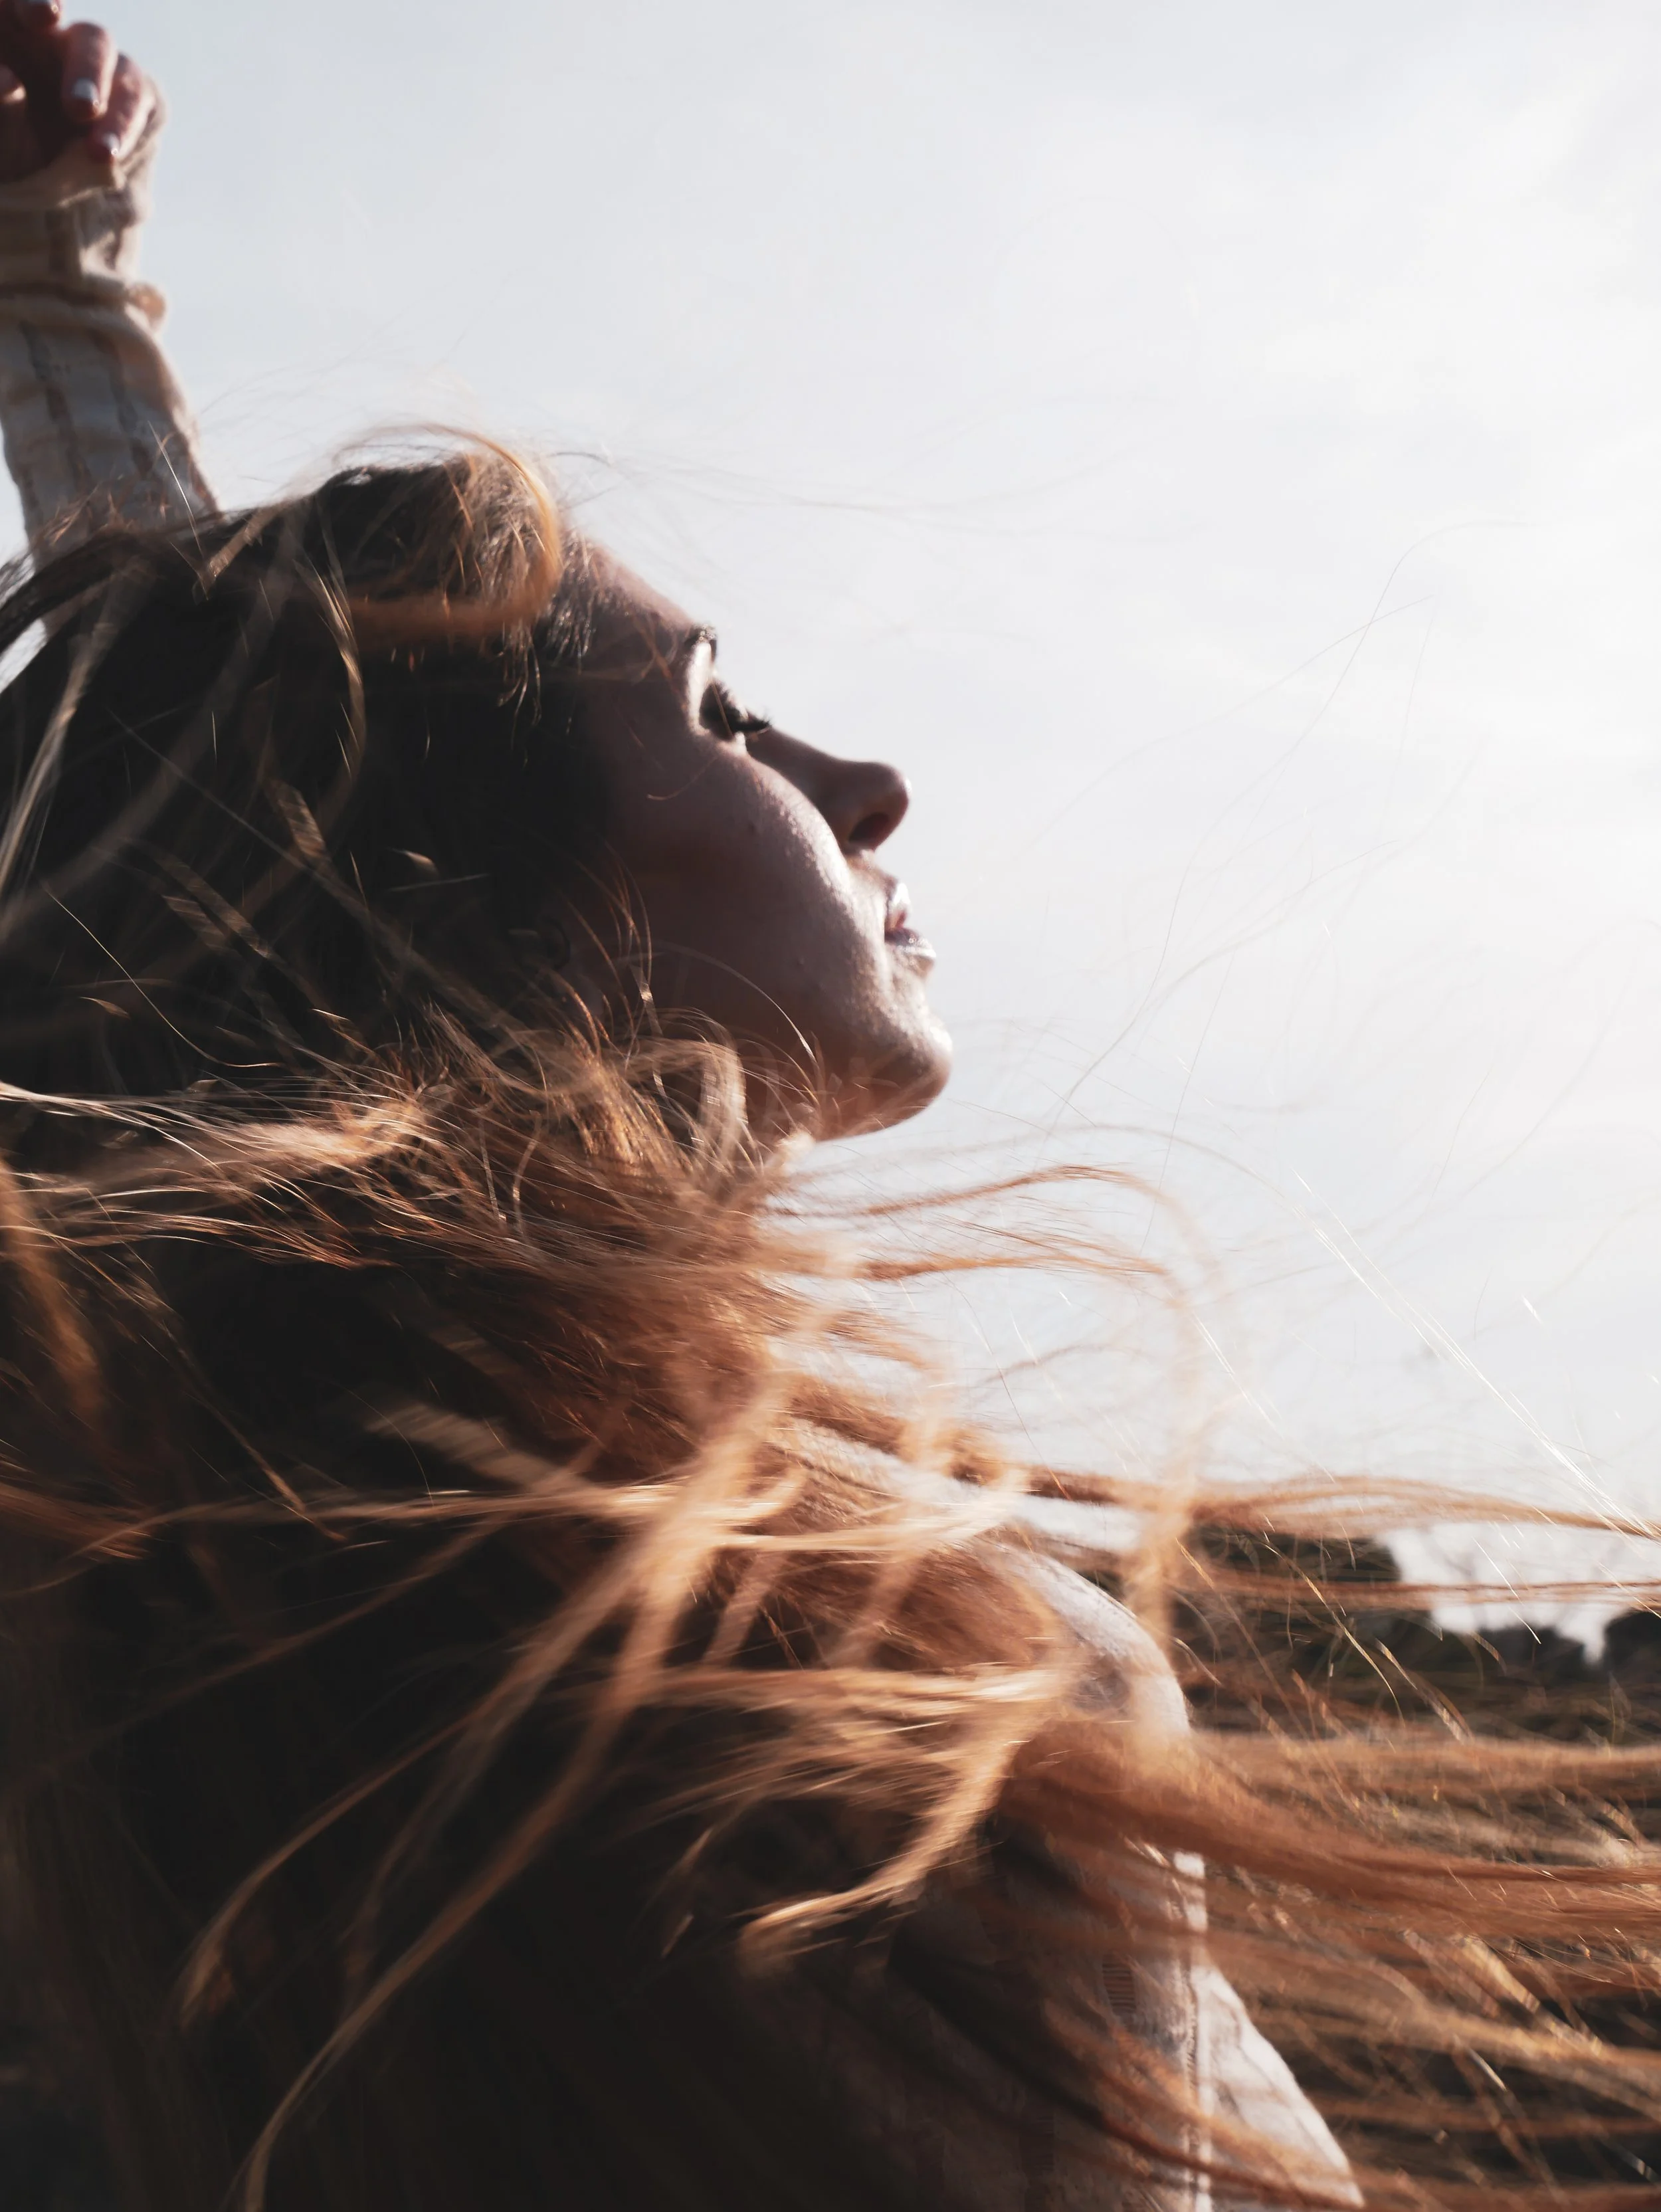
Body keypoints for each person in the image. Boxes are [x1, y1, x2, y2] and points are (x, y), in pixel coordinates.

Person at [0, 11, 1654, 2211]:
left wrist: (65, 299)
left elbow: (237, 843)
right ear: (487, 921)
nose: (867, 785)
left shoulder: (273, 1575)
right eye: (722, 714)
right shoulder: (796, 1709)